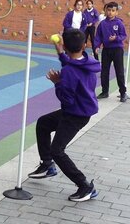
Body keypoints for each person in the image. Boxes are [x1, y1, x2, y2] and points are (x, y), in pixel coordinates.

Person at [27, 28, 100, 202]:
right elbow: (70, 63)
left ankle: (85, 186)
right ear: (84, 45)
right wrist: (60, 51)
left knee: (57, 150)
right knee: (43, 123)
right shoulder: (88, 61)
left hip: (75, 114)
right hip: (80, 109)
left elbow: (66, 99)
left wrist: (57, 83)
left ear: (66, 46)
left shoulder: (69, 72)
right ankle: (47, 165)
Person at [94, 2, 127, 102]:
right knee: (104, 71)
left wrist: (116, 38)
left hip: (117, 50)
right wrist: (97, 46)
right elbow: (98, 36)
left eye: (113, 11)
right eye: (109, 10)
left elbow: (123, 35)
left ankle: (122, 93)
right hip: (106, 50)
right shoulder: (102, 24)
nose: (110, 12)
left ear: (116, 12)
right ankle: (105, 91)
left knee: (119, 71)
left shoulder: (119, 23)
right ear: (105, 11)